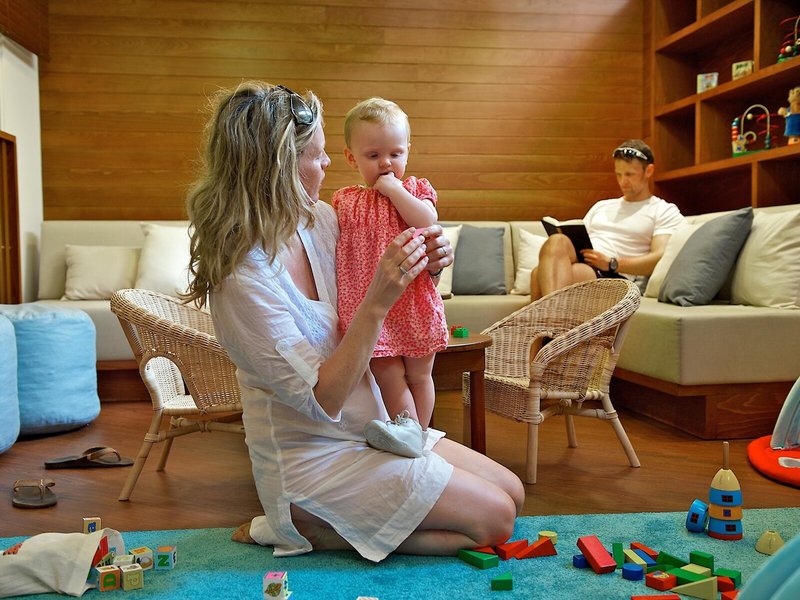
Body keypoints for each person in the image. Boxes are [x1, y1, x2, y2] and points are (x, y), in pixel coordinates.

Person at [183, 81, 524, 563]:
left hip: (375, 431)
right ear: (278, 167)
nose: (327, 163)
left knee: (513, 492)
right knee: (495, 520)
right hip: (314, 458)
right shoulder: (243, 278)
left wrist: (431, 261)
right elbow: (323, 400)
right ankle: (309, 525)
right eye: (316, 155)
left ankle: (345, 524)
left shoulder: (319, 220)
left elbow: (388, 248)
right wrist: (377, 302)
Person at [333, 97, 447, 459]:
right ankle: (408, 433)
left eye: (395, 153)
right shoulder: (344, 200)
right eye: (373, 155)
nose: (386, 163)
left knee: (420, 374)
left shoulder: (416, 190)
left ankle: (419, 434)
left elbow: (427, 221)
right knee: (387, 374)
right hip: (368, 305)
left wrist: (395, 190)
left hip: (413, 300)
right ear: (351, 158)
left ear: (408, 150)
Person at [530, 139, 685, 301]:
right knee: (557, 241)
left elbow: (660, 257)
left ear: (649, 171)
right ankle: (554, 314)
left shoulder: (662, 210)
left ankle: (548, 314)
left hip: (617, 274)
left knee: (539, 275)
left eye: (630, 174)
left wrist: (612, 263)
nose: (623, 181)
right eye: (619, 174)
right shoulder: (602, 206)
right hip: (588, 265)